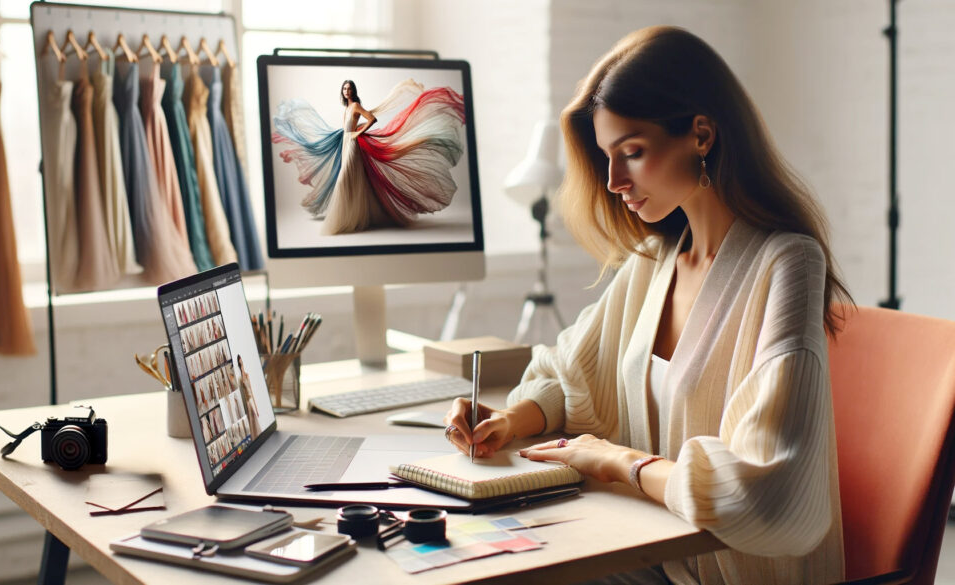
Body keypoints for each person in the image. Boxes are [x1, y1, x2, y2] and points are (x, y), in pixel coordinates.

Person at [444, 26, 851, 585]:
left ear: (701, 134)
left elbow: (770, 491)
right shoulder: (655, 262)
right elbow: (570, 377)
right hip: (650, 550)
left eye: (632, 153)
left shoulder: (786, 264)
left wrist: (621, 462)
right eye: (607, 158)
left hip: (728, 572)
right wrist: (508, 421)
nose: (613, 181)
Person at [272, 78, 467, 234]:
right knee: (354, 181)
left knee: (344, 180)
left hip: (353, 144)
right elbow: (349, 126)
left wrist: (357, 133)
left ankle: (345, 220)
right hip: (346, 142)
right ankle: (354, 217)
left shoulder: (355, 105)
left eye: (349, 88)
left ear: (353, 91)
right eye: (344, 89)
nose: (346, 91)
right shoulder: (347, 107)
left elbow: (372, 119)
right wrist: (349, 134)